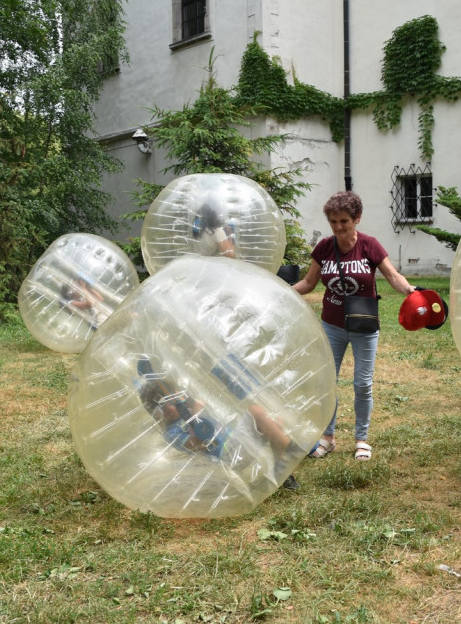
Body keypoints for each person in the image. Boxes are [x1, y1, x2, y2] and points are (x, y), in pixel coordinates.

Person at [292, 191, 417, 461]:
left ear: (357, 219)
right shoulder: (325, 247)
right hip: (331, 326)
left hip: (364, 327)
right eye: (334, 221)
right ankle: (328, 437)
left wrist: (411, 291)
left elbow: (392, 276)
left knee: (362, 384)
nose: (339, 227)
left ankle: (361, 439)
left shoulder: (369, 245)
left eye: (344, 221)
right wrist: (282, 291)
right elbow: (309, 283)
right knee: (327, 383)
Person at [136, 357, 301, 489]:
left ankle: (282, 471)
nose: (177, 403)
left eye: (176, 397)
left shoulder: (187, 408)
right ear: (158, 414)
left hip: (237, 442)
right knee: (255, 411)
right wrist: (196, 414)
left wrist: (192, 404)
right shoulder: (171, 433)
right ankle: (290, 448)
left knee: (275, 421)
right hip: (228, 454)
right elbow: (197, 443)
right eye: (169, 403)